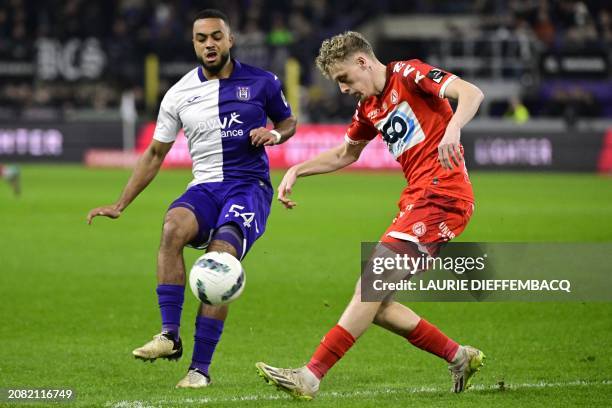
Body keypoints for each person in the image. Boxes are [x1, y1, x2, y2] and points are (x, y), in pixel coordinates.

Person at [255, 31, 485, 399]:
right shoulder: (369, 109)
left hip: (442, 195)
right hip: (418, 198)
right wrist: (298, 169)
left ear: (362, 62)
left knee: (370, 286)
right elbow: (346, 154)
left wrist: (453, 128)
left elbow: (472, 93)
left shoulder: (409, 74)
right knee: (377, 306)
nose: (344, 89)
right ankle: (458, 356)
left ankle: (311, 376)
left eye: (344, 78)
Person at [87, 9, 296, 388]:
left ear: (230, 40)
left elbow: (288, 121)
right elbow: (155, 154)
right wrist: (120, 204)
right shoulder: (179, 93)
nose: (210, 44)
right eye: (201, 38)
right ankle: (169, 336)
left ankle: (200, 369)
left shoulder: (263, 82)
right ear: (194, 44)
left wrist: (275, 136)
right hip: (205, 187)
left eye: (217, 36)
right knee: (172, 229)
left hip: (248, 187)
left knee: (220, 261)